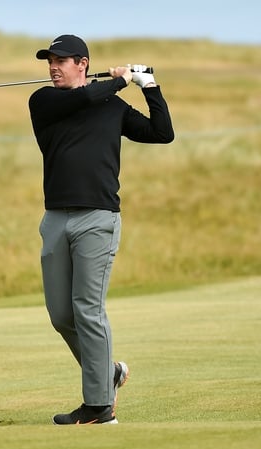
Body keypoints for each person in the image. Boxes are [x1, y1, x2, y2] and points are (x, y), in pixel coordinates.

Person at [28, 35, 174, 424]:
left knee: (88, 310)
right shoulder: (44, 101)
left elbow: (161, 132)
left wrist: (150, 87)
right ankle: (107, 373)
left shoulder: (110, 104)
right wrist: (120, 79)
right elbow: (83, 99)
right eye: (49, 61)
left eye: (61, 61)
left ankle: (99, 406)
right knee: (61, 314)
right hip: (56, 218)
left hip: (98, 218)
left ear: (82, 63)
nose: (53, 67)